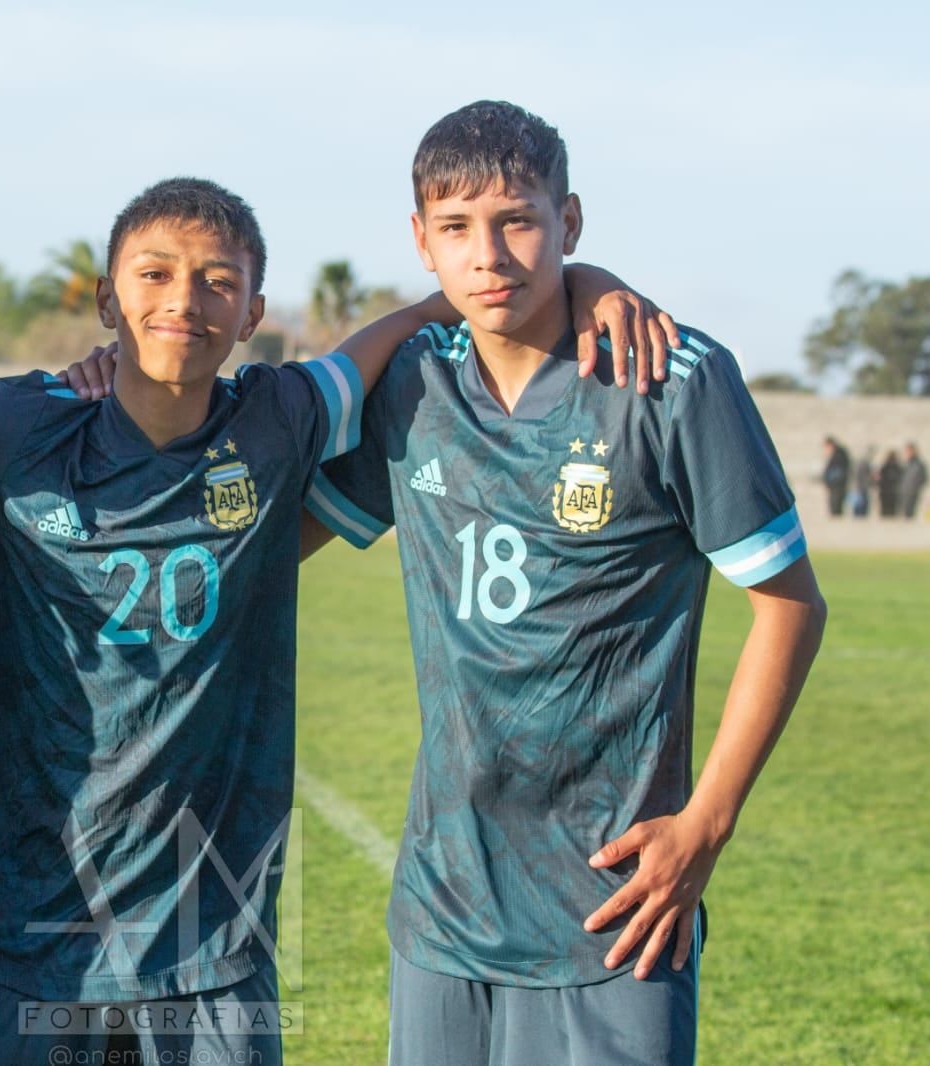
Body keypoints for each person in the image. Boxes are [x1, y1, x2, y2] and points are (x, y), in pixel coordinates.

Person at [0, 177, 675, 1063]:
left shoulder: (283, 418)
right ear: (106, 300)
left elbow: (418, 317)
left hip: (212, 951)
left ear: (253, 308)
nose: (187, 300)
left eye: (219, 280)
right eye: (157, 275)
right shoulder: (6, 424)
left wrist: (588, 280)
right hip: (24, 933)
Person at [302, 101, 827, 1065]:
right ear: (420, 241)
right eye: (455, 228)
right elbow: (268, 537)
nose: (489, 254)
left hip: (616, 905)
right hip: (444, 904)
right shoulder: (414, 388)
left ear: (569, 222)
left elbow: (790, 607)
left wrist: (706, 824)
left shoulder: (670, 378)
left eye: (518, 220)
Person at [821, 435, 851, 517]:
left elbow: (838, 472)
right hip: (836, 485)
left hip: (837, 486)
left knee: (836, 506)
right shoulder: (838, 454)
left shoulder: (839, 455)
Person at [900, 442, 927, 519]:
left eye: (908, 451)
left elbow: (924, 478)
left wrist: (916, 486)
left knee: (910, 512)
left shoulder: (919, 464)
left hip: (913, 491)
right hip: (904, 491)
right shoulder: (907, 464)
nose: (907, 453)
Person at [877, 449, 903, 517]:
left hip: (892, 494)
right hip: (886, 494)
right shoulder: (885, 468)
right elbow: (879, 480)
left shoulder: (897, 468)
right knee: (885, 513)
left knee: (891, 513)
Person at [852, 446, 875, 518]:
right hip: (861, 490)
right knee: (861, 510)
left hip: (860, 490)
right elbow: (864, 478)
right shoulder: (864, 464)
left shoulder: (861, 464)